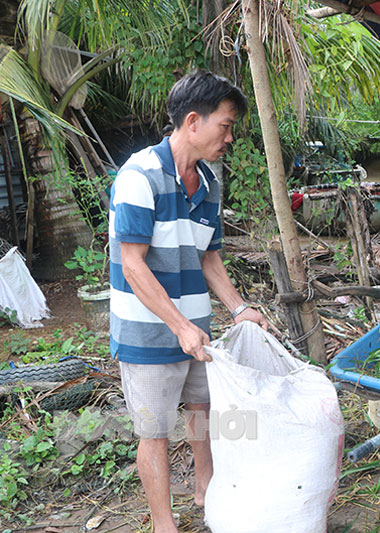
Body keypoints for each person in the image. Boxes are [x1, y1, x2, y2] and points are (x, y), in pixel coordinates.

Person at [109, 70, 269, 533]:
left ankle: (207, 495)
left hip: (197, 330)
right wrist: (178, 325)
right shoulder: (139, 176)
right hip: (148, 334)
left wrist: (239, 309)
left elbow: (209, 259)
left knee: (202, 414)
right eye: (225, 126)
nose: (230, 137)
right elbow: (133, 265)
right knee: (154, 432)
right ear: (194, 121)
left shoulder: (208, 184)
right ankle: (165, 525)